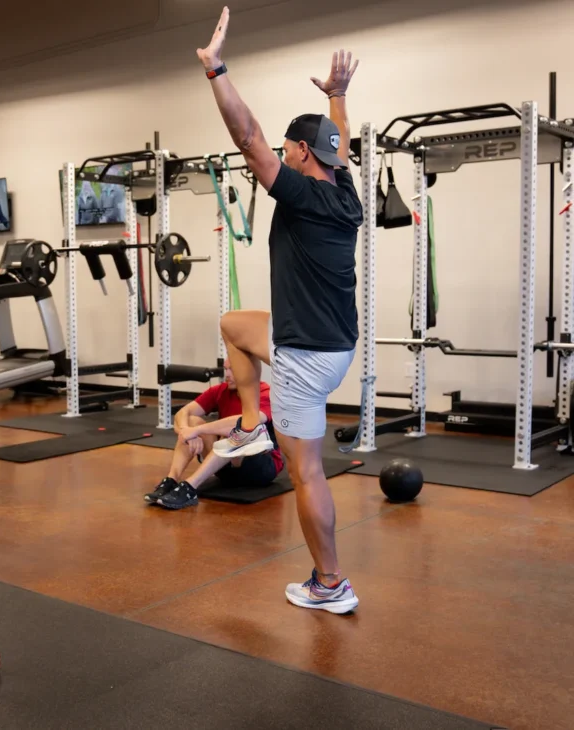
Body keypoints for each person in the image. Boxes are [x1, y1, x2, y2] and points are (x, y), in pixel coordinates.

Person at [196, 8, 363, 615]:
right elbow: (339, 141)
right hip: (335, 345)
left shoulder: (300, 191)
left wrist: (217, 70)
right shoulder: (344, 189)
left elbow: (247, 138)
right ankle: (247, 425)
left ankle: (330, 582)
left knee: (307, 473)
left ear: (297, 151)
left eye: (285, 150)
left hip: (303, 359)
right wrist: (339, 98)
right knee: (235, 325)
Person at [144, 359, 283, 510]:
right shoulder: (221, 391)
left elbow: (246, 424)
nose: (227, 375)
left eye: (233, 370)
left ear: (248, 372)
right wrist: (187, 431)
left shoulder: (265, 393)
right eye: (226, 369)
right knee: (192, 420)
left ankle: (190, 487)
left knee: (235, 433)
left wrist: (198, 431)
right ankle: (171, 480)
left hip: (261, 468)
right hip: (226, 466)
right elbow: (183, 412)